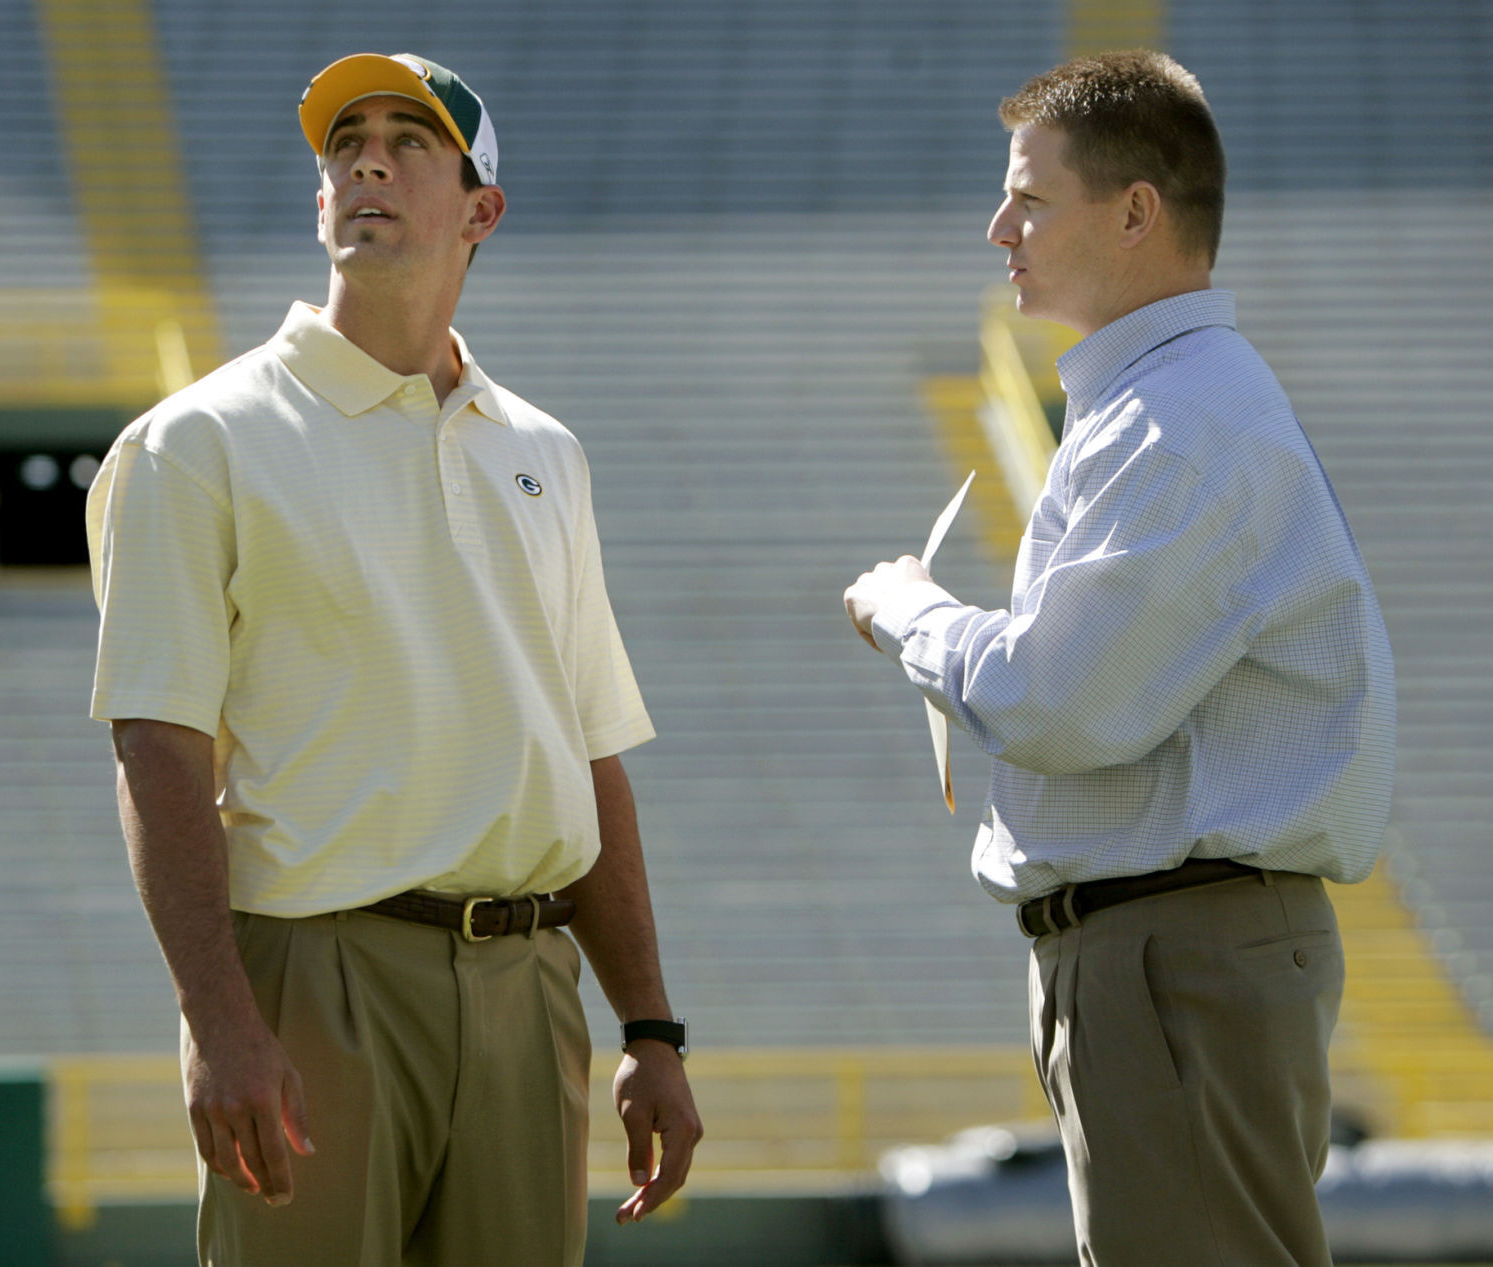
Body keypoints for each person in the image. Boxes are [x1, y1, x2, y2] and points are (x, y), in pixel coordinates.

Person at [87, 51, 700, 1266]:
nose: (366, 157)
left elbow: (586, 752)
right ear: (322, 204)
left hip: (530, 989)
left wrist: (650, 1026)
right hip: (314, 983)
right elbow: (155, 746)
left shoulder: (547, 452)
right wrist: (219, 1019)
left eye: (410, 139)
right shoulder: (193, 443)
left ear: (481, 210)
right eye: (344, 142)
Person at [844, 50, 1394, 1266]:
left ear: (1136, 210)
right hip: (1170, 948)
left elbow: (1060, 701)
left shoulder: (1178, 420)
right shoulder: (1164, 403)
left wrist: (910, 615)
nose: (1000, 227)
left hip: (1177, 952)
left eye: (1031, 198)